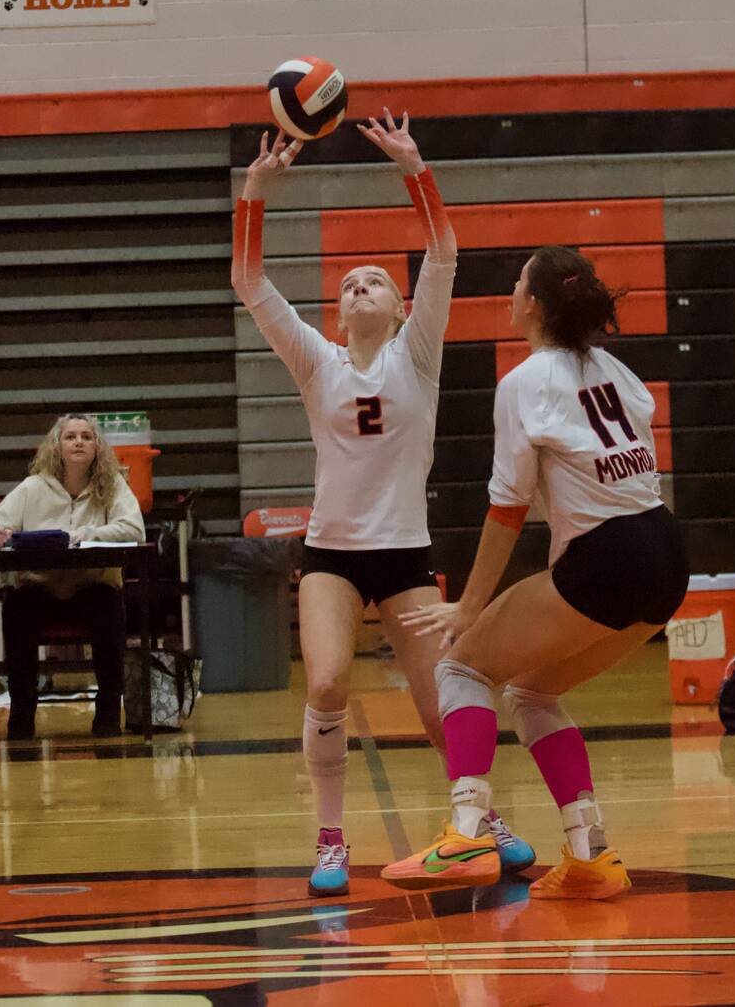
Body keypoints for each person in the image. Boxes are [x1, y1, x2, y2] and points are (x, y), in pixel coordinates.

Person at [233, 112, 532, 897]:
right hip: (331, 552)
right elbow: (250, 283)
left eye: (374, 281)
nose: (359, 285)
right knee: (328, 684)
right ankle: (332, 836)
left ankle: (480, 819)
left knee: (445, 703)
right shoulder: (316, 360)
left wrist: (415, 167)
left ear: (400, 309)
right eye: (347, 285)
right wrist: (254, 194)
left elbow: (443, 251)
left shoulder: (417, 354)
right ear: (338, 315)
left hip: (405, 553)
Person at [380, 244, 687, 901]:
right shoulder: (617, 370)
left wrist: (467, 605)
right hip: (666, 547)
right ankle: (590, 852)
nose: (510, 292)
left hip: (610, 552)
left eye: (518, 282)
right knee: (533, 692)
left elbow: (507, 508)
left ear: (535, 305)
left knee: (463, 666)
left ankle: (466, 837)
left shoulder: (522, 382)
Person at [0, 414, 144, 738]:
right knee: (15, 607)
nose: (79, 442)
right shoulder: (33, 487)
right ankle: (21, 718)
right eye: (71, 437)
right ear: (57, 446)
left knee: (109, 606)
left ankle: (107, 715)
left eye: (87, 437)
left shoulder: (112, 484)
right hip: (41, 589)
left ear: (97, 447)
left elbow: (134, 529)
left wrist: (88, 533)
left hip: (91, 588)